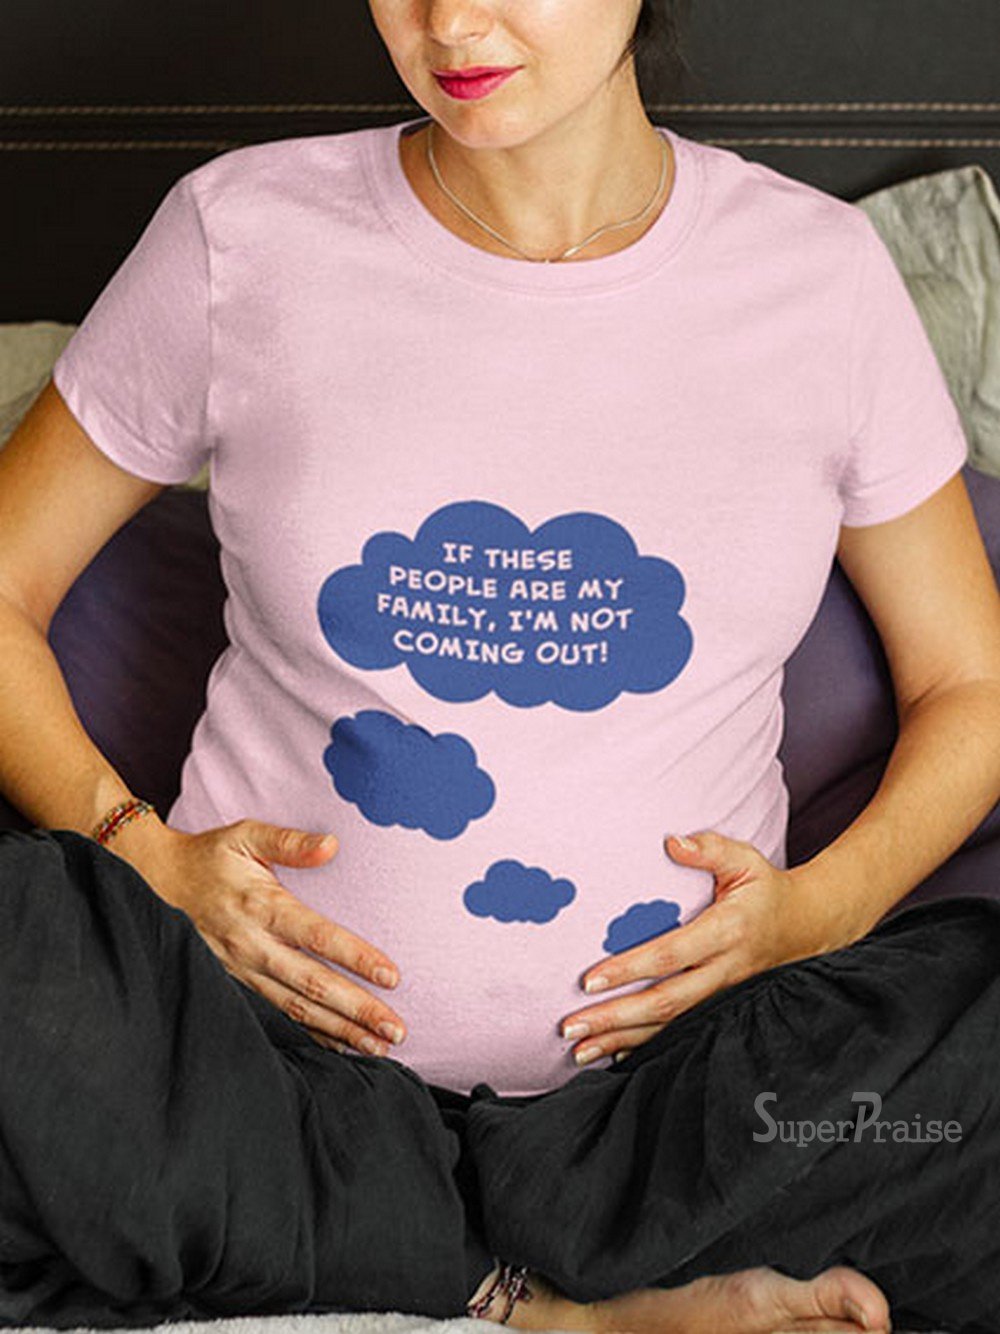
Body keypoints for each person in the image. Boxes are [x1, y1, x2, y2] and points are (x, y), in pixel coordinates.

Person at [1, 0, 999, 1330]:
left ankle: (467, 1247)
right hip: (261, 1071)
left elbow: (970, 686)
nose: (452, 23)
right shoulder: (239, 235)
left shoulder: (818, 277)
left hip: (669, 1106)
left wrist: (824, 908)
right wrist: (140, 852)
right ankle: (531, 1295)